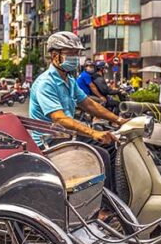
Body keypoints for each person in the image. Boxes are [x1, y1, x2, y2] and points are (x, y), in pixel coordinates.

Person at [28, 31, 123, 190]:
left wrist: (119, 120)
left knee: (113, 145)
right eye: (69, 53)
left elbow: (89, 104)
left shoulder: (69, 80)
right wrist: (93, 133)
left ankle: (115, 198)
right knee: (102, 154)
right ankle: (104, 209)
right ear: (54, 55)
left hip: (65, 135)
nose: (74, 57)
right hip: (49, 141)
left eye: (76, 53)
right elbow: (60, 118)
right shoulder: (46, 83)